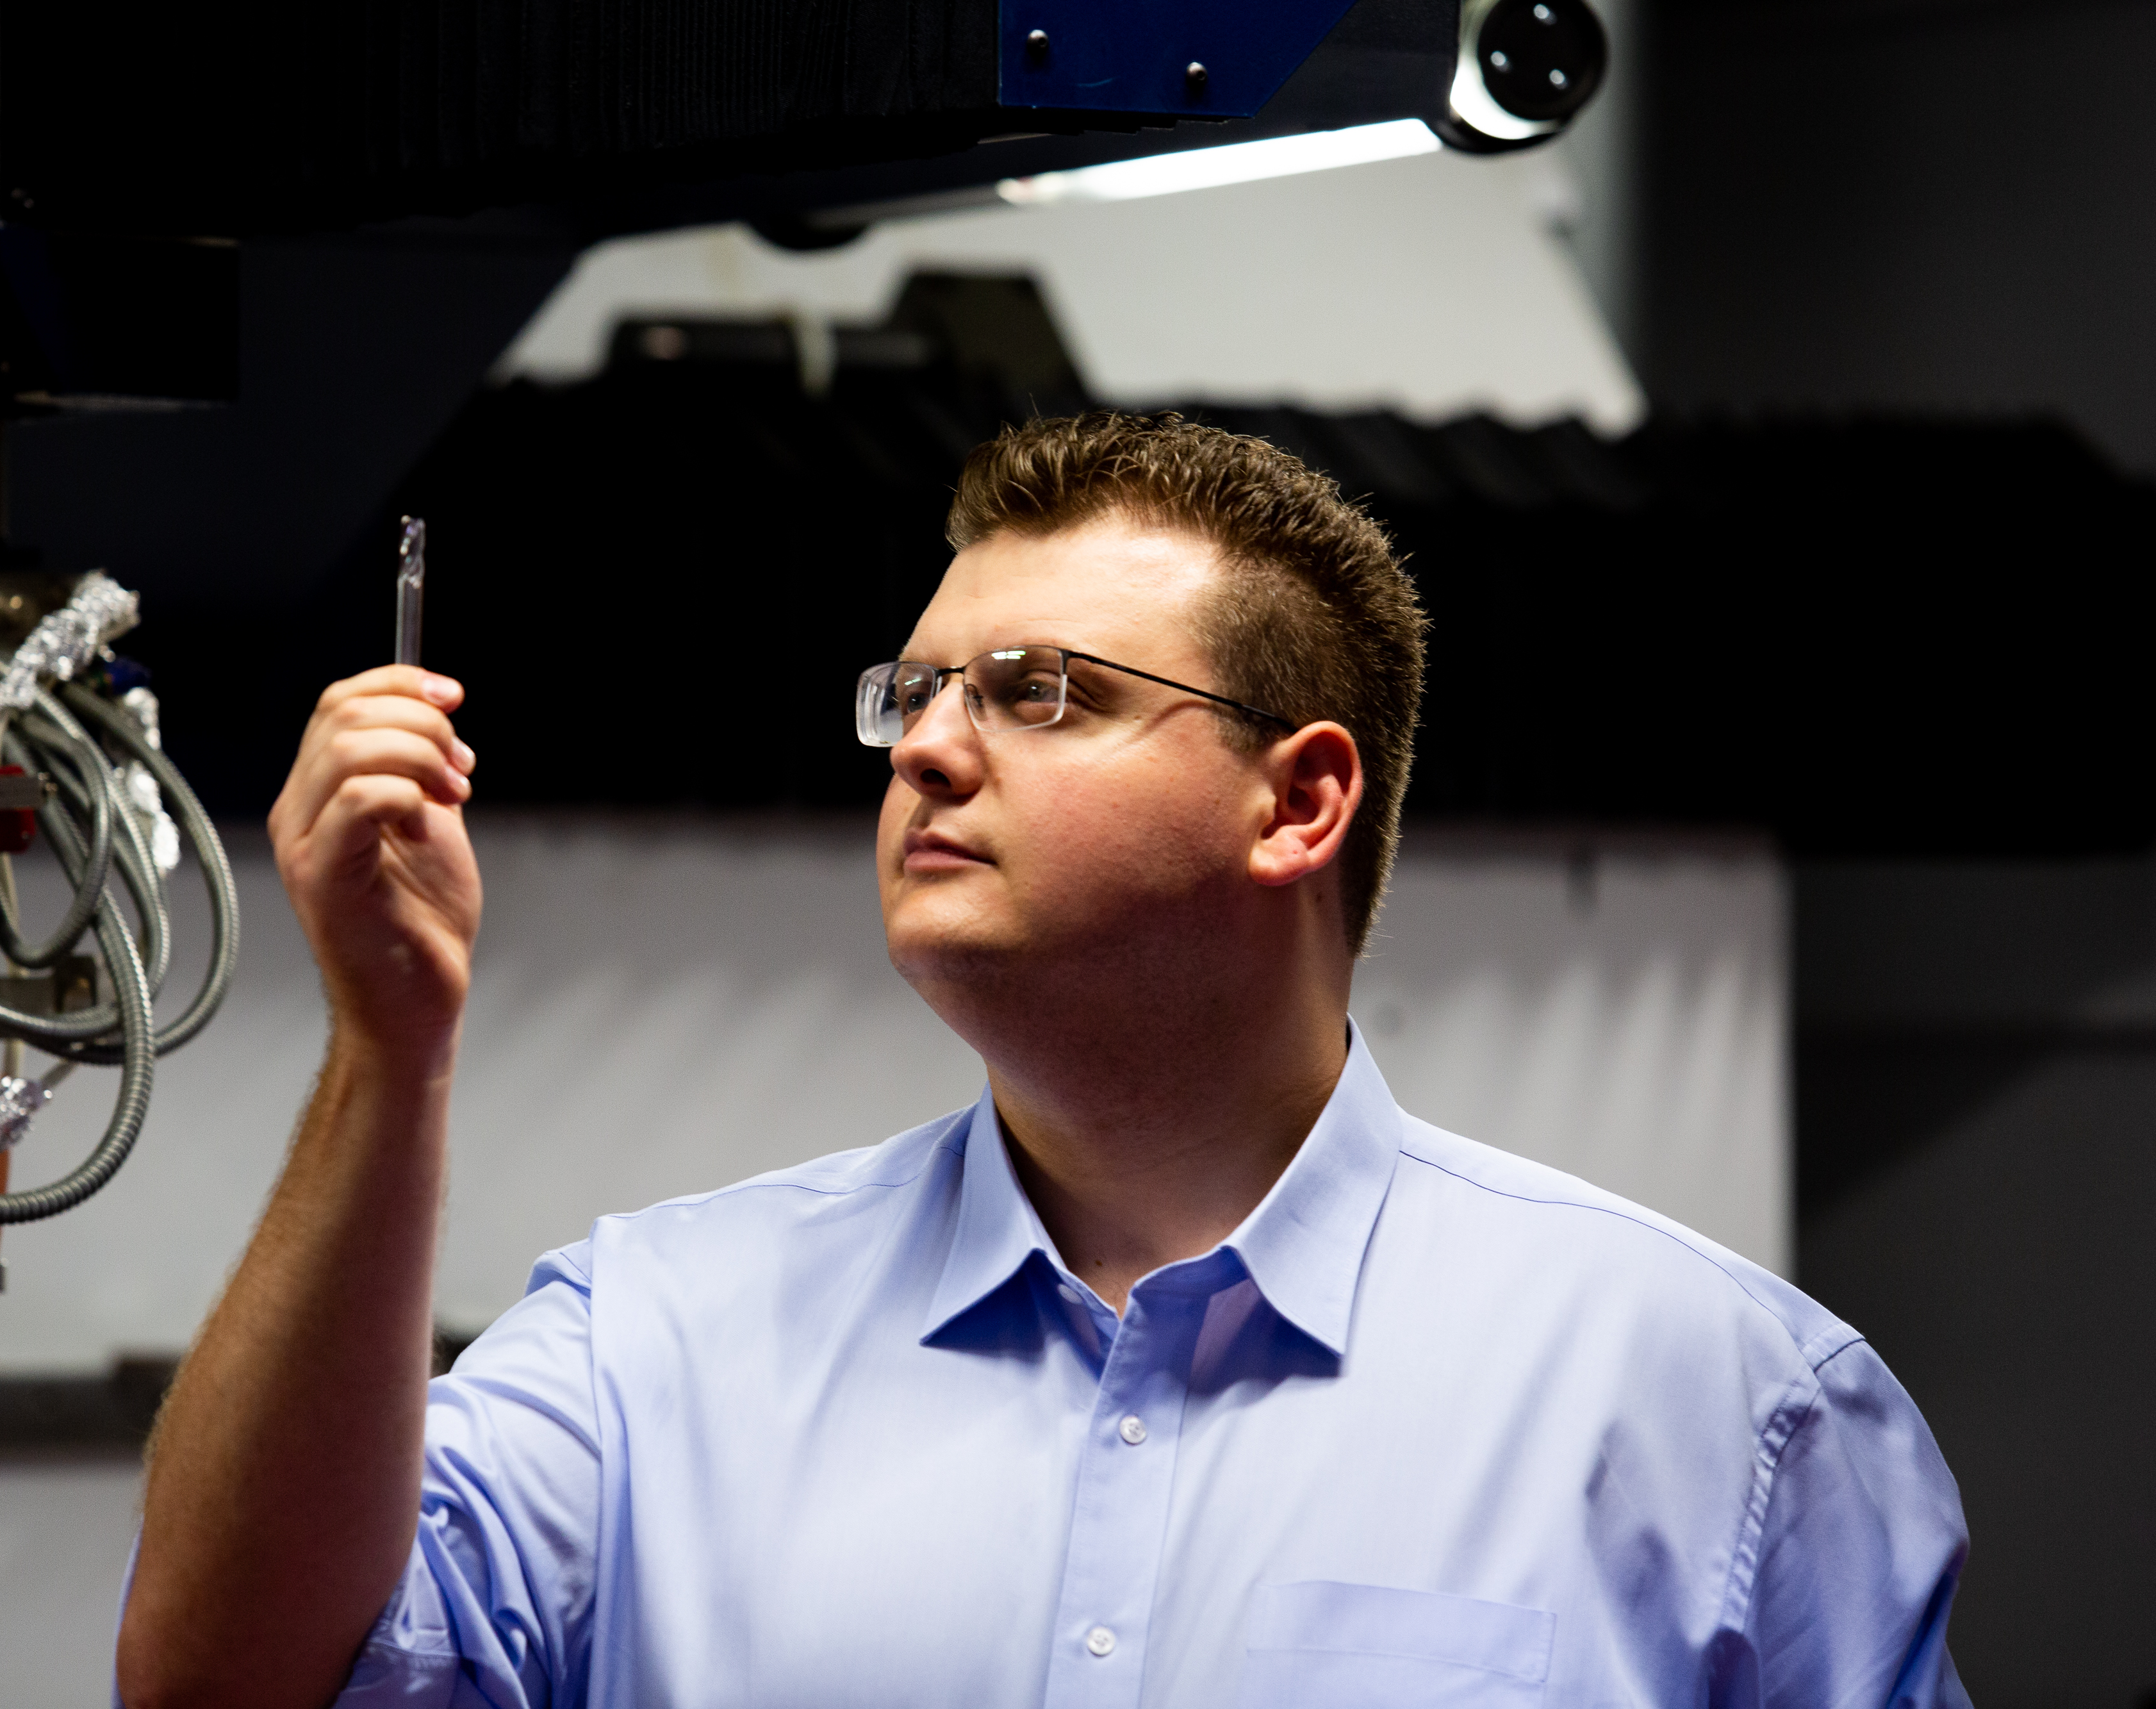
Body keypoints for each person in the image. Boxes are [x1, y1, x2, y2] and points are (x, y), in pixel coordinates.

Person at [115, 413, 1970, 1708]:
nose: (928, 748)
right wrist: (390, 1056)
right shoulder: (649, 1347)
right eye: (917, 692)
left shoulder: (1718, 1403)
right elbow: (222, 1684)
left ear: (1298, 800)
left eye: (1039, 692)